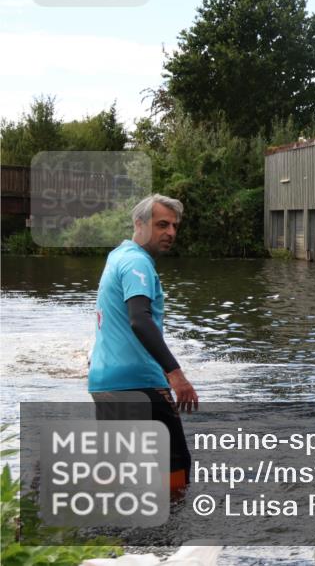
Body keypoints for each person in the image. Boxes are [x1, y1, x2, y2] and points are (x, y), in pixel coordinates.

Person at [89, 194, 198, 493]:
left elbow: (113, 320)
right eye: (162, 224)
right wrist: (175, 374)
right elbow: (140, 319)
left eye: (174, 226)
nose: (171, 233)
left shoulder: (118, 256)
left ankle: (108, 537)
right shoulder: (138, 263)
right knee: (175, 469)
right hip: (139, 384)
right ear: (139, 223)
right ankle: (169, 536)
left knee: (117, 470)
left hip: (105, 383)